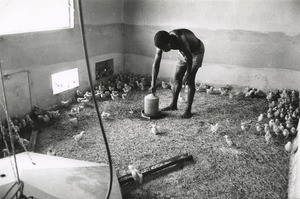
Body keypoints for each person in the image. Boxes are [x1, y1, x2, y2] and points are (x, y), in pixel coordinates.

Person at [149, 29, 205, 118]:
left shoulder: (180, 38)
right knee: (177, 77)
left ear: (170, 42)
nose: (162, 50)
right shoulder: (161, 43)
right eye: (161, 49)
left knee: (190, 79)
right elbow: (155, 64)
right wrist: (153, 84)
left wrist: (187, 74)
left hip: (196, 52)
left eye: (164, 48)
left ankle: (188, 110)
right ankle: (173, 105)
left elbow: (189, 57)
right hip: (184, 52)